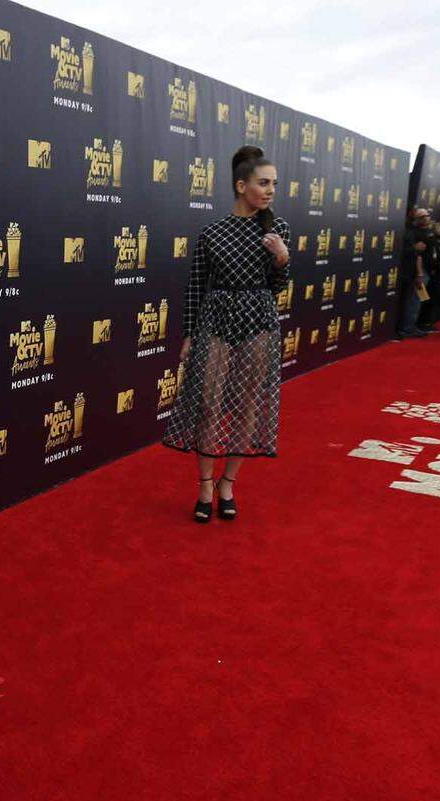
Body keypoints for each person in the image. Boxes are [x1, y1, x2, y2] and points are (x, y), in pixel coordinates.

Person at [163, 145, 290, 521]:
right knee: (209, 401)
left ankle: (228, 483)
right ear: (241, 185)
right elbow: (195, 286)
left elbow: (278, 286)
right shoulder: (213, 232)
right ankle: (204, 482)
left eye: (274, 184)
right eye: (263, 183)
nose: (270, 191)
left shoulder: (277, 229)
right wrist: (188, 333)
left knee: (247, 404)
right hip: (215, 320)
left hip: (258, 319)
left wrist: (282, 257)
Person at [398, 207, 433, 338]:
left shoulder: (428, 231)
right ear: (415, 219)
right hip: (418, 271)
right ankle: (407, 328)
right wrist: (419, 273)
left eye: (427, 216)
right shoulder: (413, 233)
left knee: (419, 300)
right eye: (421, 217)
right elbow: (417, 255)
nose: (425, 219)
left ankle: (412, 325)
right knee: (414, 301)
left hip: (427, 270)